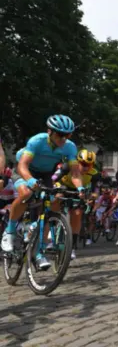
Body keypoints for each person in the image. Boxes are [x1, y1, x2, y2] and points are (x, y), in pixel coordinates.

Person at [1, 115, 83, 270]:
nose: (63, 139)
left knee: (53, 204)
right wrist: (31, 181)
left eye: (67, 135)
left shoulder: (70, 147)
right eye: (60, 134)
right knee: (26, 193)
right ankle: (9, 232)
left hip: (45, 174)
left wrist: (80, 188)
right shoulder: (37, 140)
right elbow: (22, 166)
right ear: (50, 131)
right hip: (25, 170)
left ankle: (39, 251)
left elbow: (75, 173)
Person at [53, 149, 98, 258]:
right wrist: (57, 188)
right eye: (83, 164)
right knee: (56, 199)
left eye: (89, 165)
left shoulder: (94, 174)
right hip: (62, 187)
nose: (86, 167)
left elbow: (96, 192)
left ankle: (72, 246)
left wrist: (92, 196)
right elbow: (53, 179)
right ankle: (51, 226)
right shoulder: (67, 166)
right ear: (77, 162)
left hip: (78, 192)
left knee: (77, 214)